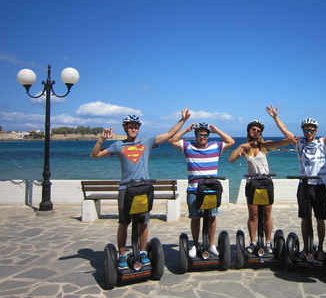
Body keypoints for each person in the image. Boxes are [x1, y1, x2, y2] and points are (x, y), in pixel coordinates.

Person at [90, 106, 191, 269]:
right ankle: (122, 254)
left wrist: (183, 120)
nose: (133, 128)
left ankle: (142, 252)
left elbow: (169, 134)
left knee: (144, 222)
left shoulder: (147, 141)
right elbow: (95, 155)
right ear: (125, 128)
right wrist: (101, 140)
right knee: (124, 222)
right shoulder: (117, 145)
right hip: (125, 189)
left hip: (143, 189)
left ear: (139, 128)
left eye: (136, 126)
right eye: (130, 126)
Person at [267, 103, 326, 260]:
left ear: (315, 131)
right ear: (303, 131)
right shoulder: (299, 144)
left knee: (320, 218)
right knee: (305, 218)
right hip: (304, 186)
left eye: (311, 130)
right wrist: (276, 117)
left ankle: (321, 248)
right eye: (306, 130)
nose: (308, 132)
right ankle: (306, 248)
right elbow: (285, 132)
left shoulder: (322, 143)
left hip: (319, 187)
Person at [228, 118, 293, 254]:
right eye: (253, 129)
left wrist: (275, 117)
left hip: (266, 182)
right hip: (252, 183)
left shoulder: (264, 145)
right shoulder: (245, 148)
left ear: (260, 133)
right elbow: (231, 159)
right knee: (254, 215)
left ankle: (268, 242)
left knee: (267, 215)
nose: (256, 132)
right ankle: (253, 242)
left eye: (258, 131)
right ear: (249, 130)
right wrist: (241, 147)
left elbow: (288, 140)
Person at [169, 122, 235, 258]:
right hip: (194, 190)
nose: (202, 137)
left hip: (211, 189)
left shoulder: (216, 146)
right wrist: (186, 129)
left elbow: (231, 141)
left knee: (212, 217)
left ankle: (211, 245)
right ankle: (195, 245)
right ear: (196, 135)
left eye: (205, 135)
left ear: (208, 136)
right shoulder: (188, 146)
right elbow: (172, 140)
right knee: (195, 218)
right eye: (199, 135)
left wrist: (217, 130)